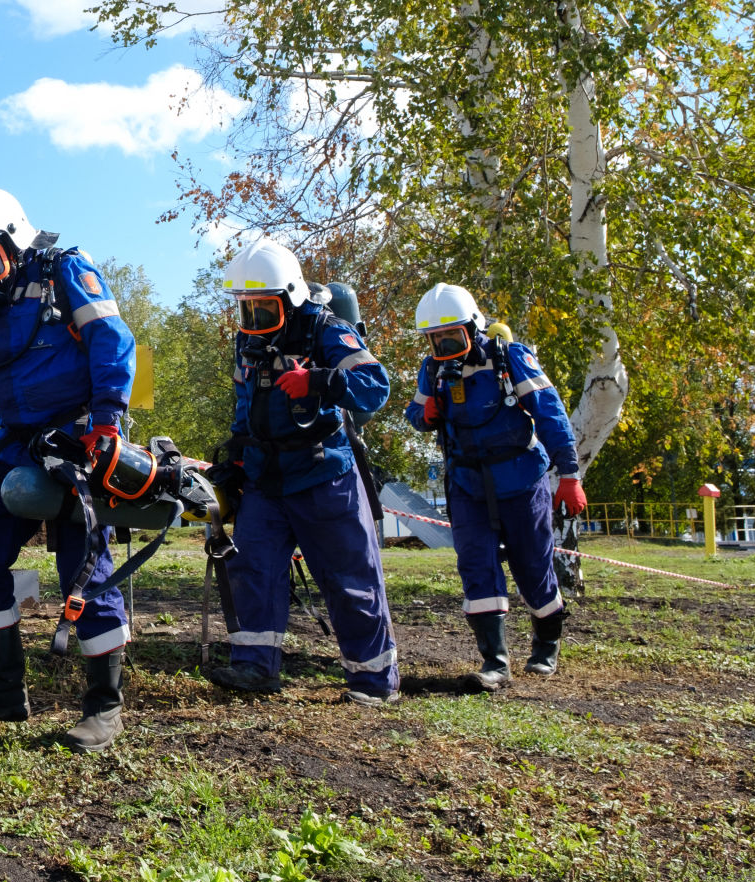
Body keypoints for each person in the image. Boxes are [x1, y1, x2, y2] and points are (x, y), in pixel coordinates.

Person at [0, 185, 136, 752]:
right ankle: (0, 689)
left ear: (13, 243)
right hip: (15, 444)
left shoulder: (67, 272)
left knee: (82, 563)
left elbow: (111, 339)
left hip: (79, 434)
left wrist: (108, 421)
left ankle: (104, 705)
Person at [208, 239, 399, 704]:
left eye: (263, 308)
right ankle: (255, 667)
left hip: (322, 475)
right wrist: (234, 458)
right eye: (246, 308)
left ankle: (373, 681)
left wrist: (318, 380)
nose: (252, 320)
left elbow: (375, 387)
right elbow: (245, 404)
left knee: (349, 577)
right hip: (264, 480)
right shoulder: (247, 340)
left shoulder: (326, 330)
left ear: (290, 298)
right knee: (252, 570)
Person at [403, 284, 583, 689]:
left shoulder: (509, 358)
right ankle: (495, 664)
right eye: (435, 339)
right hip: (466, 483)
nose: (444, 345)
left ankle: (546, 646)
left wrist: (570, 476)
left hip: (521, 479)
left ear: (473, 327)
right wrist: (423, 414)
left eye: (451, 336)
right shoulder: (432, 369)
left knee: (532, 565)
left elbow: (551, 413)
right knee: (476, 565)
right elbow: (414, 413)